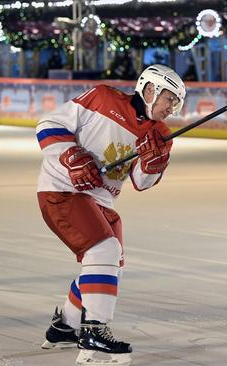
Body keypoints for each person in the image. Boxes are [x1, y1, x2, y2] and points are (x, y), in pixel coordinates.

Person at [36, 64, 186, 366]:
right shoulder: (103, 98)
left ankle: (65, 326)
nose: (173, 107)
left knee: (108, 265)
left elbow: (142, 181)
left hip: (101, 201)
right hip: (64, 189)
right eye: (169, 98)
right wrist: (71, 156)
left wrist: (155, 162)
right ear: (150, 89)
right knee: (103, 251)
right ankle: (94, 334)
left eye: (177, 102)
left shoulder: (161, 134)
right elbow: (48, 124)